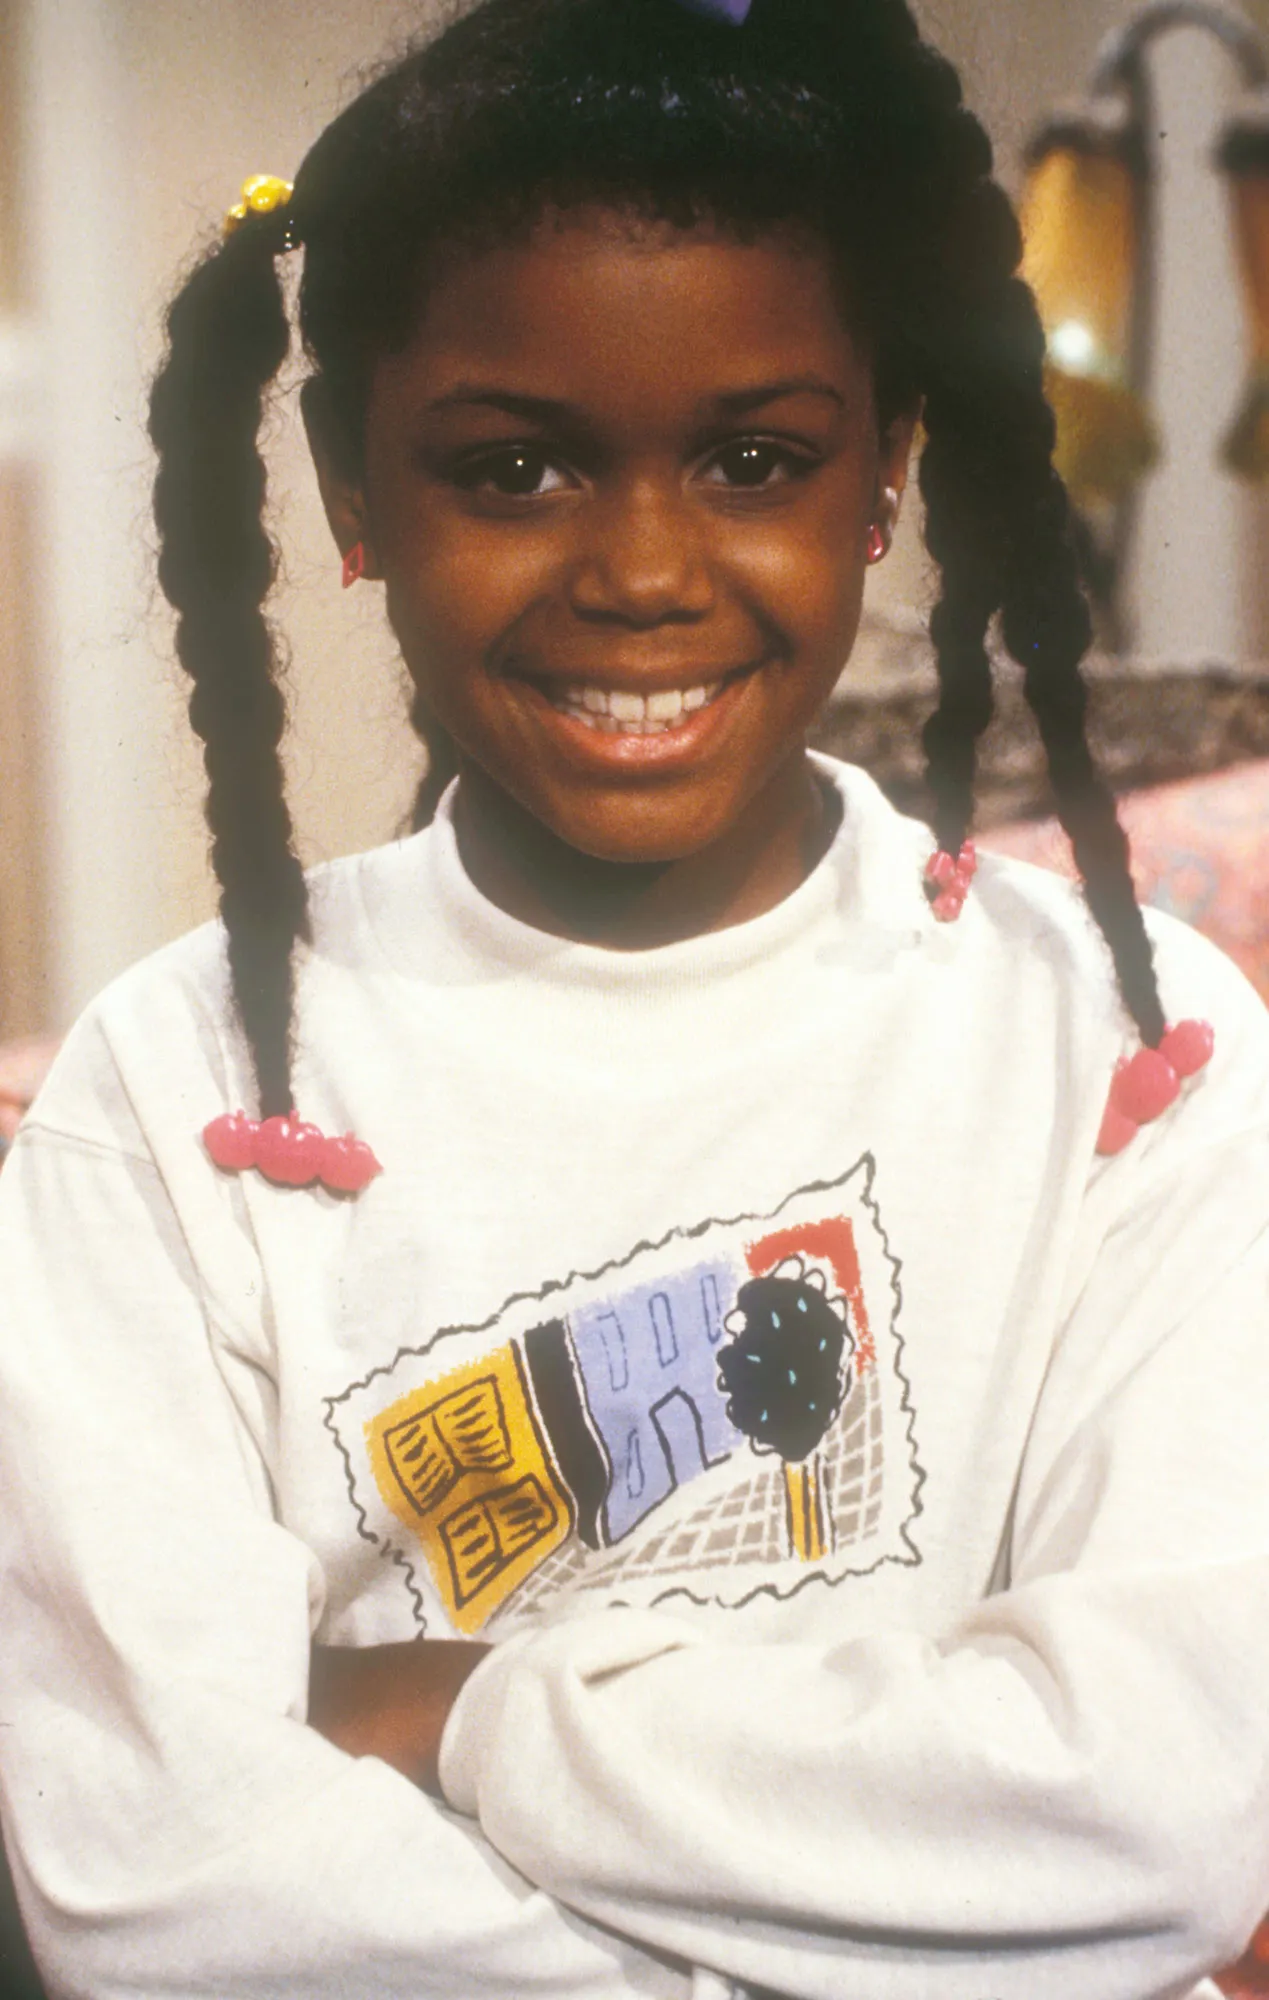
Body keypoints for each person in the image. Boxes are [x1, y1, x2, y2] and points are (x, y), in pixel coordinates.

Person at [0, 1, 1267, 1995]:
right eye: (513, 469)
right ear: (352, 487)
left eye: (755, 459)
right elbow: (155, 1880)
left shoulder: (1133, 1048)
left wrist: (462, 1712)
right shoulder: (168, 1095)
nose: (646, 571)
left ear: (883, 470)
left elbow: (1159, 1806)